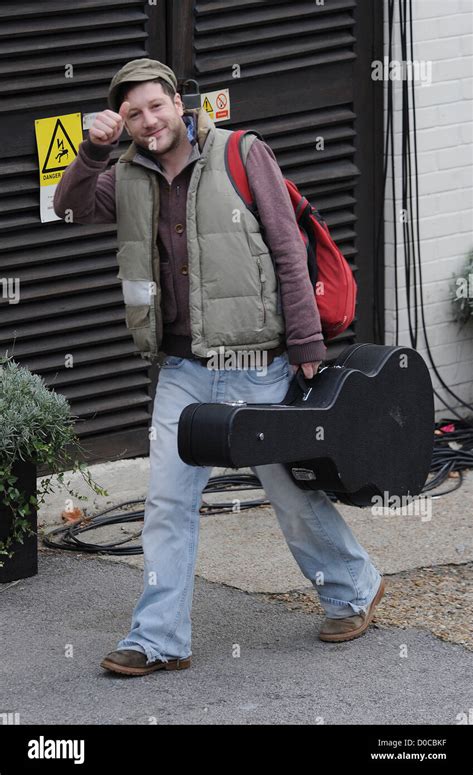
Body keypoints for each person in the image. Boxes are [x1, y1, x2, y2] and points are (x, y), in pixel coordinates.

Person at [54, 59, 384, 677]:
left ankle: (353, 589)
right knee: (167, 503)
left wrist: (307, 347)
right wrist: (92, 151)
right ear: (121, 123)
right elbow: (69, 208)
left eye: (156, 105)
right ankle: (158, 639)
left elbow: (288, 247)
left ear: (178, 102)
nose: (148, 121)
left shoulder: (241, 152)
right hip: (182, 367)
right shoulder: (124, 173)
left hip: (257, 362)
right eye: (131, 114)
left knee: (289, 494)